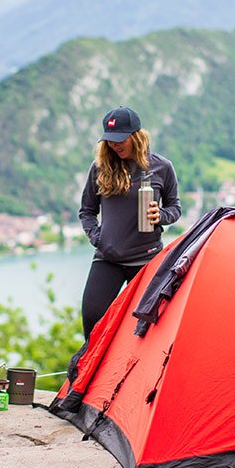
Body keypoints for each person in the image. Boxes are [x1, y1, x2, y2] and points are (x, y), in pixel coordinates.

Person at [78, 106, 181, 339]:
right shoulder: (100, 168)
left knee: (143, 330)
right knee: (92, 322)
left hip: (146, 260)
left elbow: (175, 208)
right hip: (108, 258)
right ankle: (89, 374)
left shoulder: (162, 167)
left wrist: (160, 215)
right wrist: (98, 238)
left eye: (120, 139)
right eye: (110, 140)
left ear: (136, 135)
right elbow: (87, 211)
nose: (115, 145)